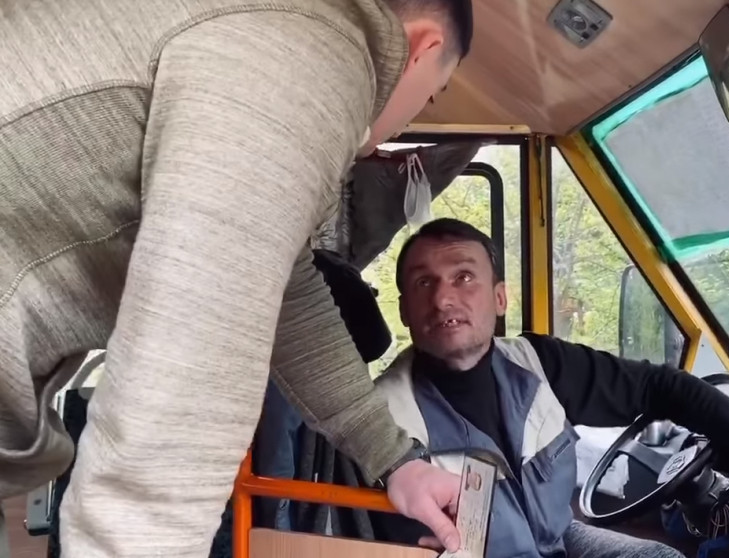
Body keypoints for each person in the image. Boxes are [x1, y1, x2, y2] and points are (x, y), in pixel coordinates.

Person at [0, 1, 472, 556]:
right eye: (432, 95)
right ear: (422, 47)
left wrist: (395, 461)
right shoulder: (312, 52)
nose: (413, 119)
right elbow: (189, 369)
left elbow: (288, 295)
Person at [371, 218, 729, 558]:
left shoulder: (539, 362)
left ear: (500, 298)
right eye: (423, 282)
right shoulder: (377, 418)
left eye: (464, 277)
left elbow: (659, 385)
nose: (443, 298)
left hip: (556, 540)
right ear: (405, 310)